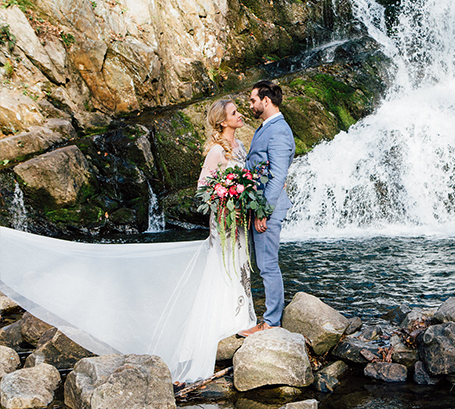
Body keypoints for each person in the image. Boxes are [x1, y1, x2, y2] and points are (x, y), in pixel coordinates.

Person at [0, 99, 256, 383]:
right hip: (222, 219)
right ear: (222, 121)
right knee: (222, 262)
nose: (240, 114)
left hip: (239, 218)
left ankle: (240, 316)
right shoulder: (217, 151)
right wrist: (226, 194)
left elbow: (245, 179)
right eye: (234, 112)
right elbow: (202, 188)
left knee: (239, 260)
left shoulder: (241, 147)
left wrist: (244, 191)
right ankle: (223, 321)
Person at [238, 80, 295, 337]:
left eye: (252, 100)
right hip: (257, 207)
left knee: (268, 265)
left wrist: (262, 211)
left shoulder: (280, 131)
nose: (249, 105)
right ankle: (267, 319)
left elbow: (278, 175)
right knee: (262, 264)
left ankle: (271, 322)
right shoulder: (264, 128)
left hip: (266, 209)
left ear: (266, 100)